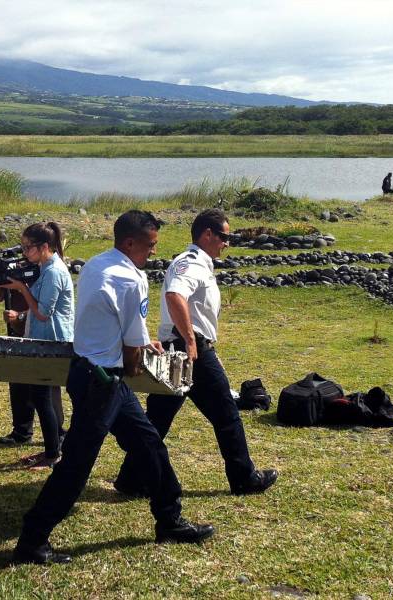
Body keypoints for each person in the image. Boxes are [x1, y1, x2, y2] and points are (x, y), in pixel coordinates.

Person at [13, 210, 214, 565]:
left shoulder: (96, 264)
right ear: (130, 242)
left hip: (89, 372)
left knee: (149, 444)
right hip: (103, 381)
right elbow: (132, 354)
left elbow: (113, 322)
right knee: (76, 463)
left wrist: (135, 342)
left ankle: (169, 518)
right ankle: (32, 540)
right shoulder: (131, 279)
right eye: (150, 245)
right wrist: (138, 354)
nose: (154, 251)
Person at [114, 208, 278, 497]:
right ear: (207, 234)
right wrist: (191, 341)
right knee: (226, 414)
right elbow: (175, 295)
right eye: (224, 236)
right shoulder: (190, 263)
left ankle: (131, 478)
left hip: (187, 347)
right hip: (190, 350)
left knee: (158, 418)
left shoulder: (202, 264)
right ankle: (244, 478)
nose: (227, 242)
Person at [0, 222, 74, 469]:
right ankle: (52, 450)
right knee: (40, 397)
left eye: (28, 247)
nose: (24, 253)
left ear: (44, 247)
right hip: (42, 339)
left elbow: (43, 312)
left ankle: (54, 453)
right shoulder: (45, 267)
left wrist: (22, 289)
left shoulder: (54, 271)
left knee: (43, 397)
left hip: (52, 340)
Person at [0, 288, 67, 448]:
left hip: (40, 329)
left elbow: (48, 304)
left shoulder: (46, 269)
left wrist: (21, 315)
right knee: (18, 378)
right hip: (17, 328)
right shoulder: (12, 266)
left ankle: (57, 432)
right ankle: (22, 432)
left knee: (47, 382)